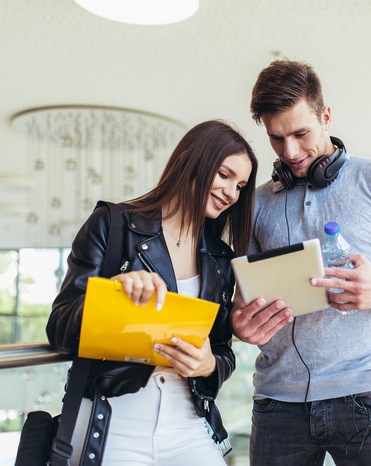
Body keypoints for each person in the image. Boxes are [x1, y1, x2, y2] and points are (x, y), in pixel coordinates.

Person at [230, 59, 371, 465]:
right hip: (279, 401)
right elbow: (243, 300)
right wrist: (242, 323)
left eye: (301, 133)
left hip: (369, 397)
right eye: (276, 139)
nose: (289, 152)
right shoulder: (255, 202)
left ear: (326, 117)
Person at [46, 120, 258, 465]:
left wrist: (208, 366)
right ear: (191, 160)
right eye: (224, 175)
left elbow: (221, 349)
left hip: (189, 422)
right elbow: (59, 330)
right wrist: (112, 292)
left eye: (240, 185)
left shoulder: (221, 258)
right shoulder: (112, 224)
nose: (232, 192)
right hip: (112, 418)